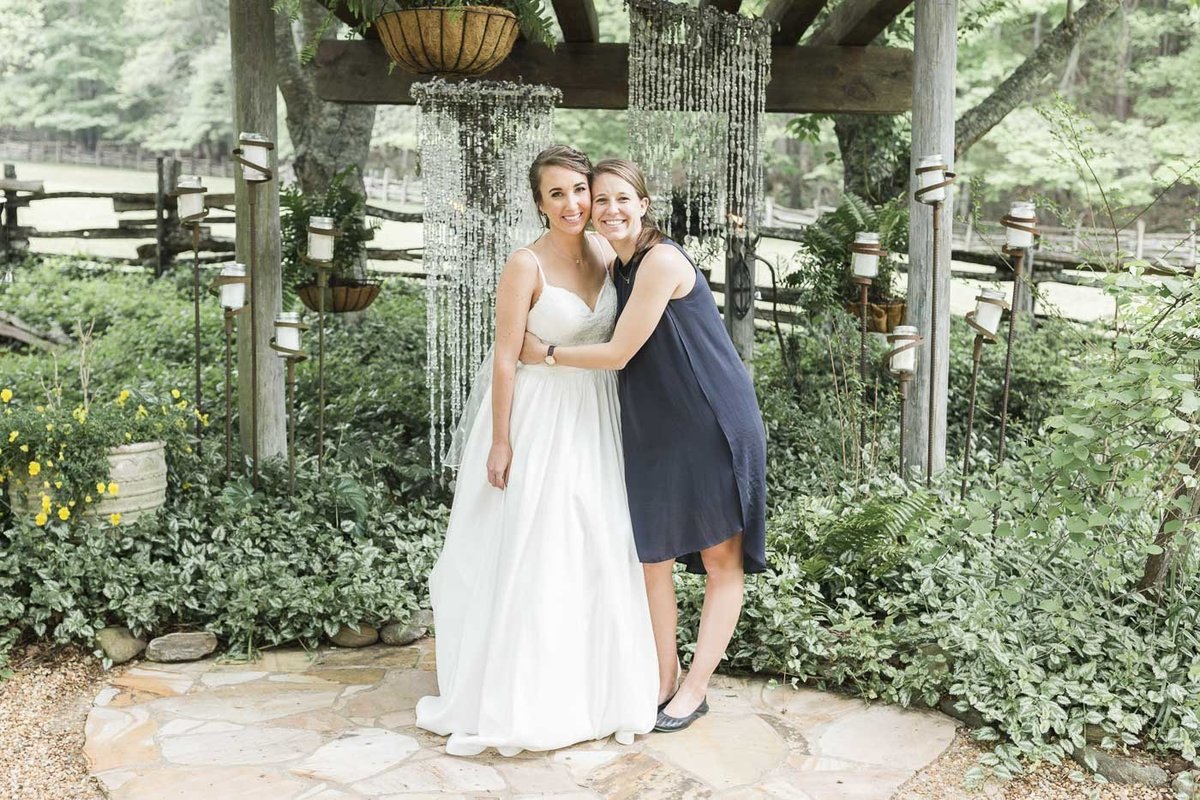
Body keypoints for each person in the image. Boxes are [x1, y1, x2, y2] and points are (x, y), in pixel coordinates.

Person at [415, 146, 657, 756]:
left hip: (596, 414)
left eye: (581, 190)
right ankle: (524, 693)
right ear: (541, 203)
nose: (575, 204)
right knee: (539, 540)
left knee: (596, 539)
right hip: (539, 415)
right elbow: (503, 355)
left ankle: (596, 689)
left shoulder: (608, 253)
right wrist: (501, 439)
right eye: (558, 194)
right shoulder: (525, 264)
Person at [520, 159, 768, 733]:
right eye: (597, 199)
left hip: (710, 422)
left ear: (644, 203)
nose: (608, 210)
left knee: (720, 560)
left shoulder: (658, 262)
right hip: (655, 428)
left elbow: (618, 354)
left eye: (621, 199)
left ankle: (695, 690)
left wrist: (547, 355)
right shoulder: (620, 264)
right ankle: (663, 677)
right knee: (651, 557)